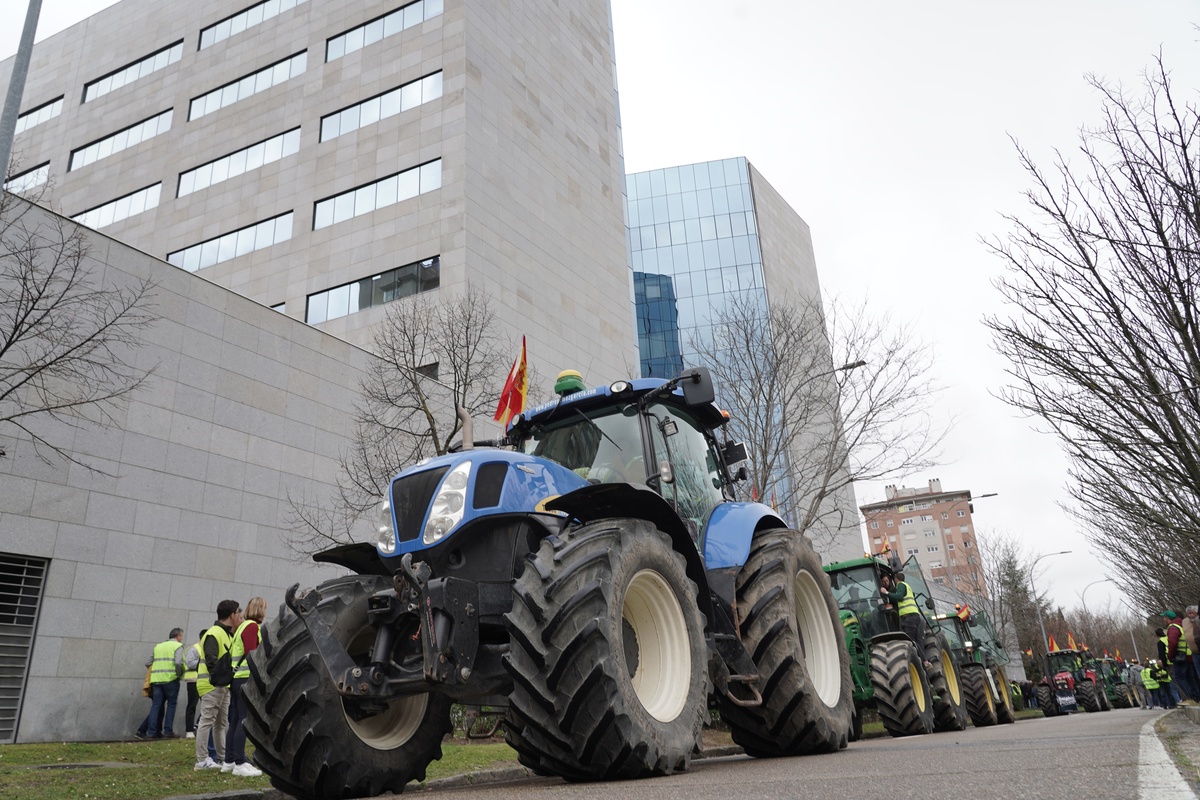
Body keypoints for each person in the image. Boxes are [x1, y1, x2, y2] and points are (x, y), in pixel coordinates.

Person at [194, 600, 240, 771]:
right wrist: (223, 678)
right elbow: (212, 660)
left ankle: (222, 758)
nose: (240, 616)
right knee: (207, 722)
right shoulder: (214, 633)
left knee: (220, 724)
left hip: (221, 686)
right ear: (232, 614)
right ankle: (201, 760)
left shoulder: (225, 634)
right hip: (212, 685)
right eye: (238, 613)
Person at [223, 596, 266, 778]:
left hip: (236, 679)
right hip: (245, 679)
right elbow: (252, 653)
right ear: (260, 610)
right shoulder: (252, 627)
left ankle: (230, 760)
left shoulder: (241, 626)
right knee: (242, 720)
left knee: (234, 720)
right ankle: (240, 762)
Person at [145, 628, 185, 738]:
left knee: (156, 705)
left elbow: (148, 662)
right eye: (181, 636)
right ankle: (168, 732)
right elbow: (178, 663)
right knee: (171, 705)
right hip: (171, 679)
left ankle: (151, 732)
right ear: (178, 636)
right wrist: (179, 674)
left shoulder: (158, 646)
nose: (182, 639)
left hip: (156, 680)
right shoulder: (177, 646)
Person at [880, 571, 926, 659]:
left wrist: (886, 593)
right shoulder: (907, 586)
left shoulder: (900, 585)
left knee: (908, 642)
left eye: (887, 580)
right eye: (883, 581)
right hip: (914, 615)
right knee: (917, 640)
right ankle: (925, 661)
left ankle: (911, 660)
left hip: (908, 617)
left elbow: (900, 597)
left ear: (895, 579)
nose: (885, 583)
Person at [1164, 609, 1200, 705]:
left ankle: (1189, 698)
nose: (1163, 619)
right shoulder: (1181, 625)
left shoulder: (1172, 627)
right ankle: (1196, 697)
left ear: (1167, 618)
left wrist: (1170, 655)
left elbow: (1173, 642)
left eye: (1164, 617)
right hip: (1188, 655)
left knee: (1179, 678)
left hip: (1180, 657)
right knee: (1190, 678)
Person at [182, 631, 204, 739]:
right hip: (193, 680)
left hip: (204, 681)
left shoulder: (207, 649)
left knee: (208, 705)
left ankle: (197, 726)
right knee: (192, 705)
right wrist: (204, 661)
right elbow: (190, 663)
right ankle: (189, 730)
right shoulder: (194, 648)